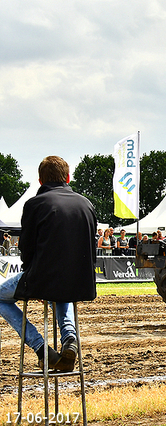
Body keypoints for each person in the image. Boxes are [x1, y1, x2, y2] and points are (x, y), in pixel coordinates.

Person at [0, 156, 97, 371]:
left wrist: (31, 278)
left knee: (0, 297)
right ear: (68, 178)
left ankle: (42, 349)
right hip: (80, 281)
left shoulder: (35, 204)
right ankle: (70, 338)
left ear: (40, 181)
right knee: (62, 290)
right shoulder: (86, 204)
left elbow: (27, 249)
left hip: (43, 278)